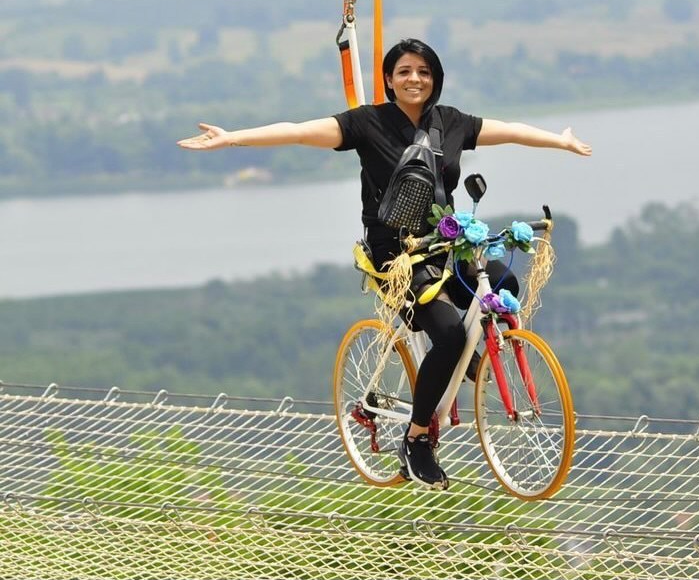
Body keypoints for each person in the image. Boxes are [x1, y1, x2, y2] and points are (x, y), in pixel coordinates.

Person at [178, 38, 592, 489]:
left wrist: (560, 141)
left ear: (434, 80)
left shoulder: (449, 122)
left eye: (424, 72)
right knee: (449, 334)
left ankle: (473, 359)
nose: (415, 79)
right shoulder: (366, 124)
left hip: (443, 245)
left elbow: (510, 130)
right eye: (404, 72)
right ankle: (417, 440)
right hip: (395, 258)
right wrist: (232, 138)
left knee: (502, 279)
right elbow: (299, 131)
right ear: (390, 80)